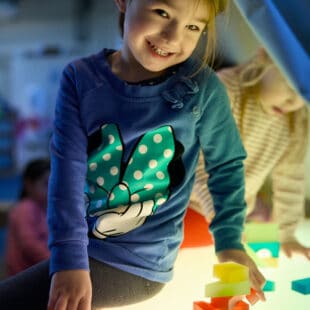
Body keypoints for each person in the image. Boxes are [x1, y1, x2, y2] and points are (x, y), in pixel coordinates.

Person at [0, 1, 266, 309]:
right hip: (84, 249)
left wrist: (230, 245)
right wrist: (69, 260)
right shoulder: (80, 78)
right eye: (162, 13)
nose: (172, 37)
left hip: (138, 265)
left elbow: (226, 167)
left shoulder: (203, 88)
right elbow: (66, 175)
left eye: (193, 26)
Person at [191, 47, 310, 259]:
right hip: (192, 202)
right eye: (291, 86)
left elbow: (290, 178)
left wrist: (288, 234)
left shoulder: (297, 119)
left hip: (239, 208)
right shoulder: (225, 91)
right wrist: (227, 227)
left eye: (304, 94)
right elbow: (197, 166)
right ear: (265, 55)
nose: (294, 102)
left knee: (264, 229)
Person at [5, 158, 50, 276]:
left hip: (36, 271)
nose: (51, 188)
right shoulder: (25, 208)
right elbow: (29, 245)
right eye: (46, 184)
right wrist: (55, 261)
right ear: (28, 184)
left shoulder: (43, 208)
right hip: (23, 276)